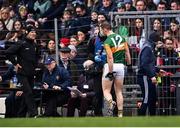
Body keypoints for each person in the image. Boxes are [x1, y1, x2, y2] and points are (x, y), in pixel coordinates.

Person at [5, 26, 39, 117]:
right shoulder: (21, 43)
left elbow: (37, 57)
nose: (34, 34)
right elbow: (8, 52)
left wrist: (35, 67)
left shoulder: (35, 45)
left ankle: (21, 115)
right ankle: (34, 113)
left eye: (35, 32)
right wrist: (15, 63)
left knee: (27, 94)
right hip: (22, 73)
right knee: (28, 92)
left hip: (31, 74)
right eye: (32, 32)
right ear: (26, 32)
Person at [100, 21, 131, 117]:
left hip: (111, 66)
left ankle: (110, 102)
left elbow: (110, 57)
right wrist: (129, 65)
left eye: (101, 29)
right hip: (121, 66)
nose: (101, 31)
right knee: (118, 91)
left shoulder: (107, 41)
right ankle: (120, 115)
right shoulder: (122, 38)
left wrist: (110, 71)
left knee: (106, 90)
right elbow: (127, 53)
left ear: (105, 29)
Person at [137, 31, 163, 116]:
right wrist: (152, 76)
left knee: (152, 98)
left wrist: (157, 70)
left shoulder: (148, 46)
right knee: (147, 98)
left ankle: (153, 118)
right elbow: (145, 64)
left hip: (147, 76)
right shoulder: (148, 48)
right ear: (156, 41)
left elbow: (149, 64)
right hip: (144, 76)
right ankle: (141, 117)